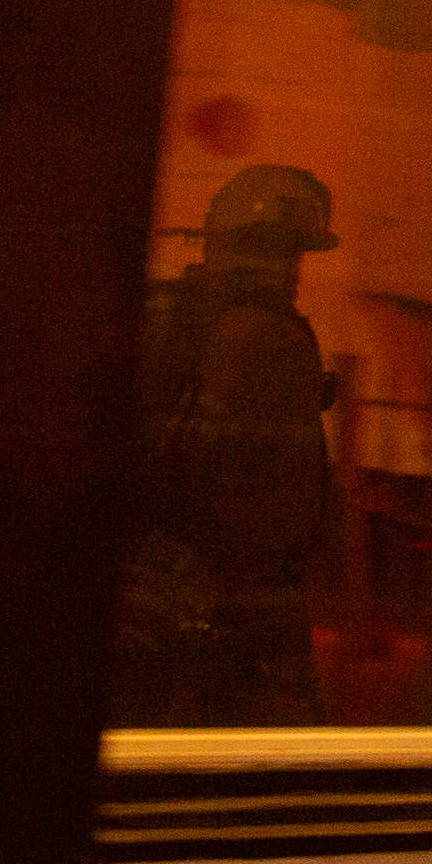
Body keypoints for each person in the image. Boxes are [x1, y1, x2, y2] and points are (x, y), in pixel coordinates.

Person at [111, 164, 341, 728]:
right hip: (226, 602)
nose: (292, 269)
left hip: (164, 588)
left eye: (294, 253)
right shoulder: (265, 335)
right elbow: (260, 496)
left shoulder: (173, 313)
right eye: (283, 250)